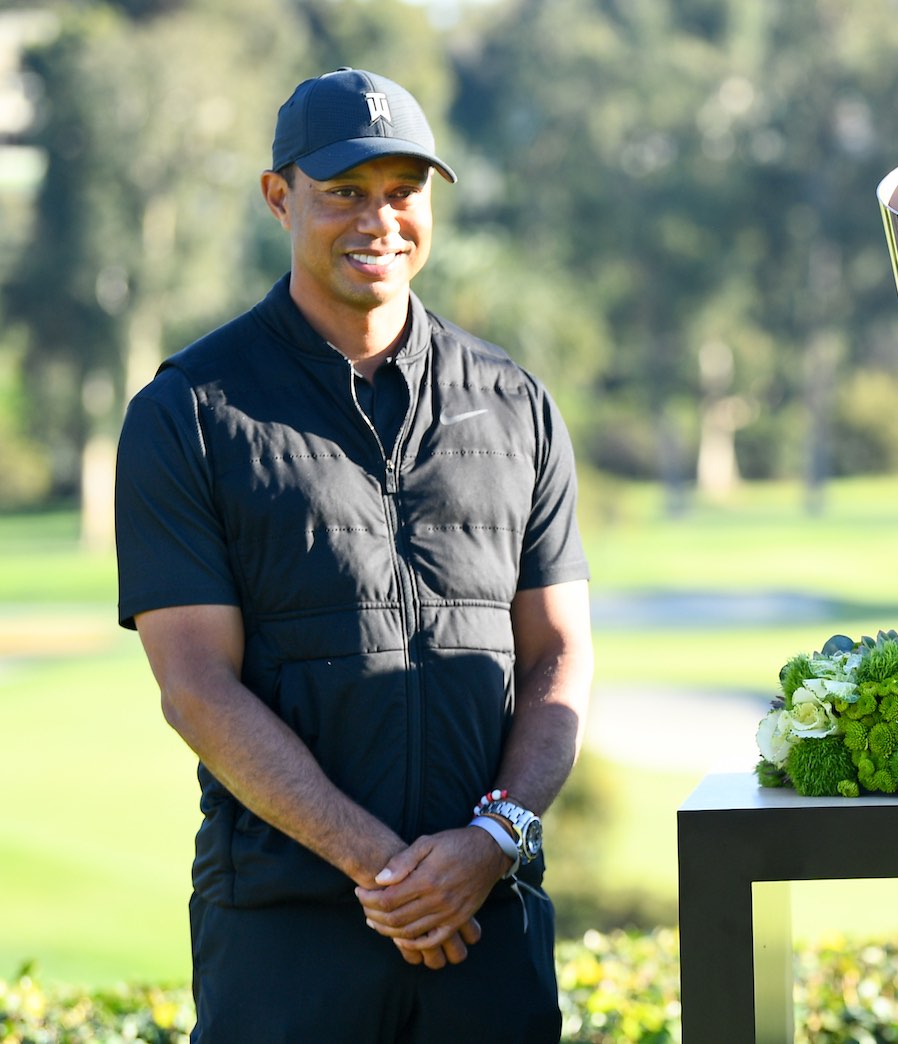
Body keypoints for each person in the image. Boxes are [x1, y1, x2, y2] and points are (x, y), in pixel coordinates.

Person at [114, 68, 591, 1042]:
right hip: (284, 940)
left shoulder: (516, 403)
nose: (379, 219)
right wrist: (387, 867)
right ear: (278, 195)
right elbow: (197, 687)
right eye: (343, 192)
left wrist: (487, 844)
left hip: (487, 926)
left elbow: (558, 658)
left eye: (403, 191)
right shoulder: (190, 413)